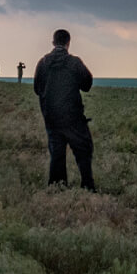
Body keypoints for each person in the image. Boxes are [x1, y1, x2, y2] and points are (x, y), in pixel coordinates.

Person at [33, 30, 96, 190]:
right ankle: (87, 186)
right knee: (83, 150)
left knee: (57, 154)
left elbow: (37, 88)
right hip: (72, 116)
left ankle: (57, 187)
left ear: (53, 43)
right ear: (68, 43)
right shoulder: (74, 62)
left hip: (51, 116)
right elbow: (87, 84)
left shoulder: (43, 62)